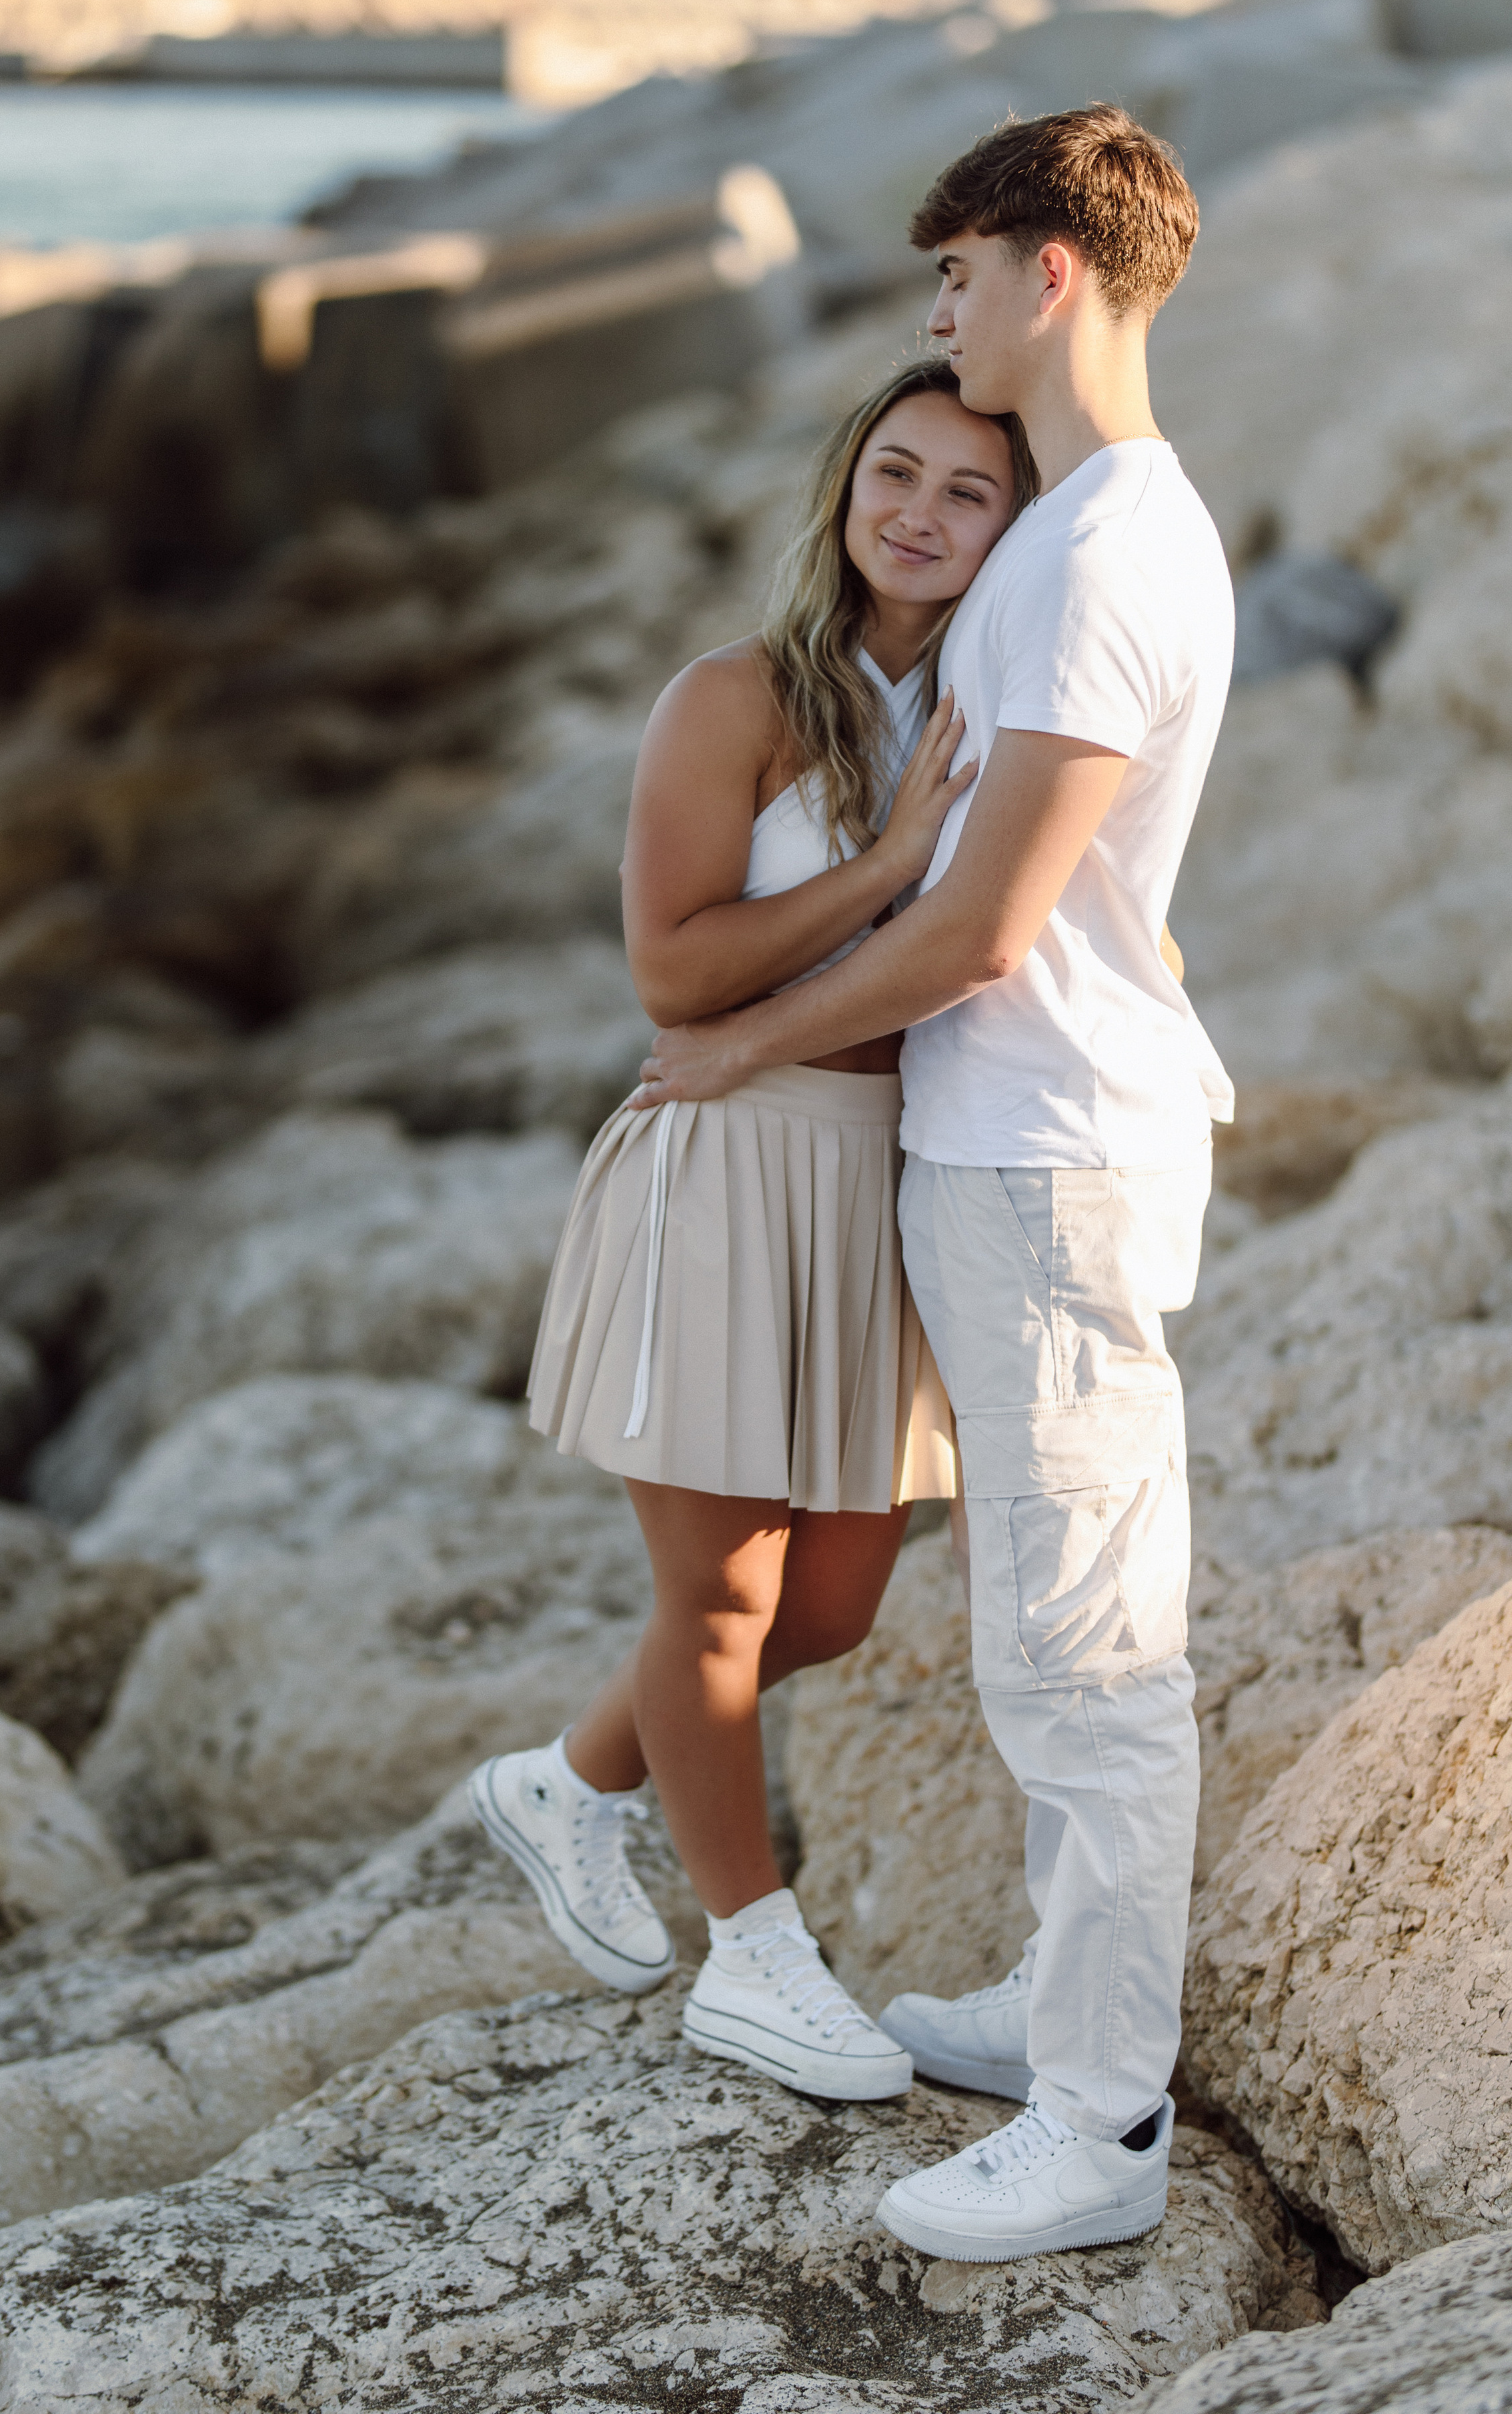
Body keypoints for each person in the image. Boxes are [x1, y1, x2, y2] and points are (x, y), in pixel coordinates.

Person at [626, 104, 1235, 2261]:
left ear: (1049, 273)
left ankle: (1100, 2125)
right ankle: (1067, 2013)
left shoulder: (1090, 554)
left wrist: (738, 1041)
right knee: (1047, 1630)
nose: (942, 314)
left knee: (1085, 1657)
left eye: (958, 278)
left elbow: (980, 931)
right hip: (1016, 1138)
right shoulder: (1096, 529)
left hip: (1045, 1155)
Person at [470, 357, 1037, 2103]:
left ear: (1014, 532)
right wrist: (891, 862)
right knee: (717, 1598)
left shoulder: (1000, 709)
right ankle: (755, 1957)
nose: (921, 514)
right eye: (898, 472)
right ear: (846, 483)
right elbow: (674, 971)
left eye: (969, 492)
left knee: (833, 1605)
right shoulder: (735, 697)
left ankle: (570, 1782)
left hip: (888, 1178)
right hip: (729, 1156)